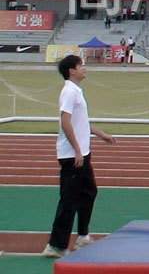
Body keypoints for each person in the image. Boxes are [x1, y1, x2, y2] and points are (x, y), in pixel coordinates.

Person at [42, 56, 117, 258]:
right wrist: (76, 149)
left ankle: (83, 236)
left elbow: (81, 121)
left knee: (89, 192)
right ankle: (56, 245)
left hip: (82, 153)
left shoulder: (76, 91)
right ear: (71, 71)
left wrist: (101, 135)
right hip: (72, 156)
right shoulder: (68, 92)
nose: (84, 69)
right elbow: (65, 122)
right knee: (69, 200)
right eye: (81, 65)